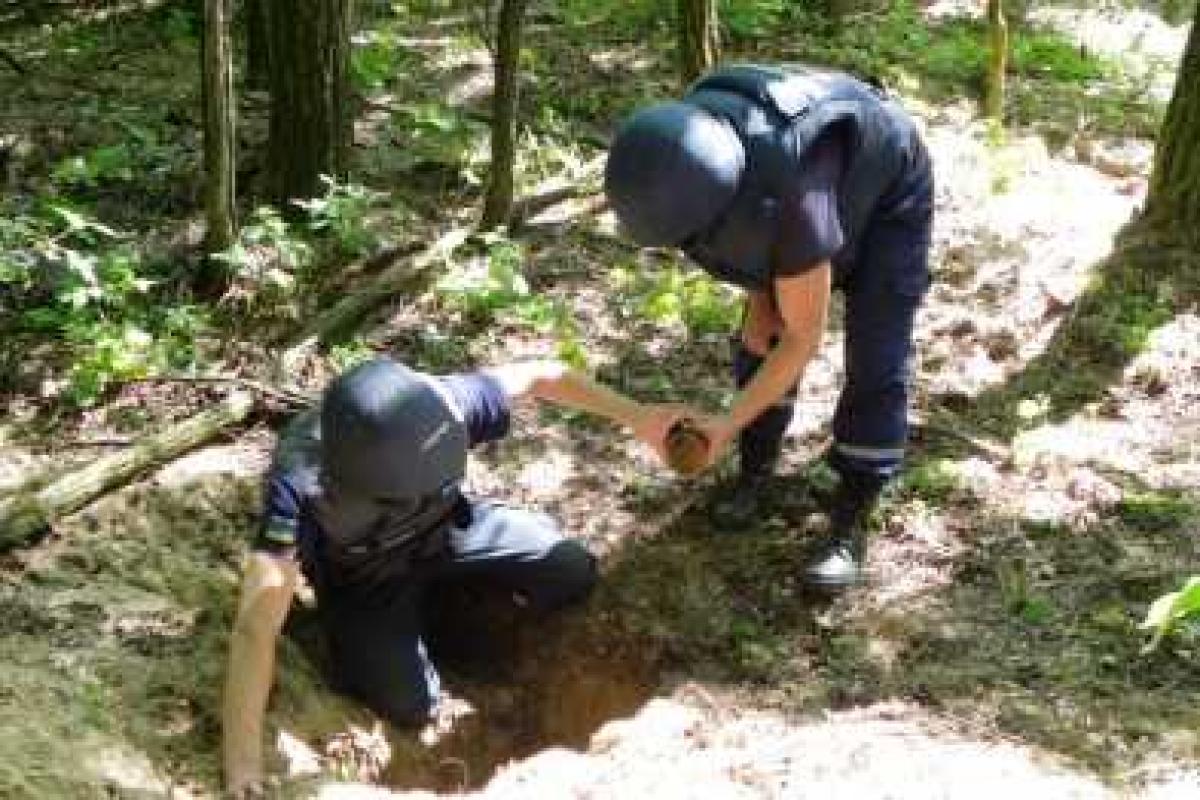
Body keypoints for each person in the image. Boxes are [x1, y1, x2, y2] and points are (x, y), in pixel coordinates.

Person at [222, 356, 679, 795]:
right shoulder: (300, 485)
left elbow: (543, 376)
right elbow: (255, 629)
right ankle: (393, 637)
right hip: (367, 581)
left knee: (569, 571)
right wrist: (243, 765)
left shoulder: (435, 408)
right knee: (409, 707)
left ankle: (453, 614)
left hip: (448, 534)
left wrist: (638, 417)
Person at [604, 63, 935, 592]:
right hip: (809, 192)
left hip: (888, 192)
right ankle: (756, 469)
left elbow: (806, 336)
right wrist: (762, 296)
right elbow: (752, 243)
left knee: (877, 351)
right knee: (763, 334)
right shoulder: (687, 148)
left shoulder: (795, 203)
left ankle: (853, 505)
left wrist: (725, 422)